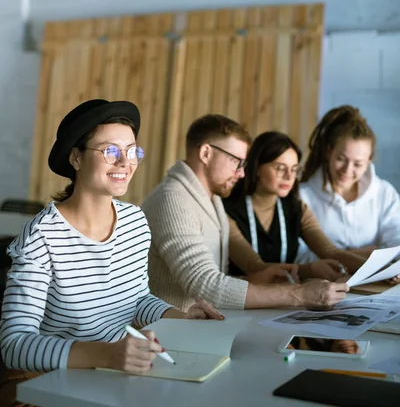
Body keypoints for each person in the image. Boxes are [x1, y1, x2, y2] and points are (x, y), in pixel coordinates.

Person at [0, 100, 222, 407]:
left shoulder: (134, 222)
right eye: (110, 151)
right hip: (46, 383)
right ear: (76, 158)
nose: (125, 163)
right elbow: (15, 345)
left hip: (109, 373)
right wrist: (109, 353)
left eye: (132, 151)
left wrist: (180, 316)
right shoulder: (41, 236)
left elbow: (136, 299)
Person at [142, 114, 348, 313]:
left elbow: (211, 282)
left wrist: (252, 282)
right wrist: (301, 295)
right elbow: (206, 287)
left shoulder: (212, 200)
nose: (241, 173)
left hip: (194, 333)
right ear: (206, 153)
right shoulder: (173, 200)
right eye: (236, 162)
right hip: (166, 339)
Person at [223, 131, 365, 281]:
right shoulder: (227, 211)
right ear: (257, 167)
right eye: (280, 168)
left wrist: (380, 269)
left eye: (294, 169)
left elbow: (331, 252)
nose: (289, 177)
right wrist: (310, 270)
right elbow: (255, 267)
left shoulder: (296, 208)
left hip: (284, 296)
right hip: (241, 298)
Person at [297, 105, 400, 272]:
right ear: (329, 152)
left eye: (358, 164)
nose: (347, 170)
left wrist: (338, 254)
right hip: (322, 285)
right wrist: (361, 255)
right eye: (341, 159)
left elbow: (397, 243)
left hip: (377, 285)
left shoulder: (384, 193)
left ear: (369, 161)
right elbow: (299, 256)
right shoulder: (303, 195)